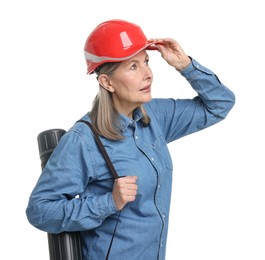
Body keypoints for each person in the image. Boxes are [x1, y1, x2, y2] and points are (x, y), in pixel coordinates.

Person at [26, 19, 235, 259]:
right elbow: (40, 210)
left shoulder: (155, 116)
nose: (148, 74)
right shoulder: (83, 140)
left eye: (146, 62)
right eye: (133, 67)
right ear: (107, 82)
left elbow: (219, 105)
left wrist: (184, 65)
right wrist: (109, 202)